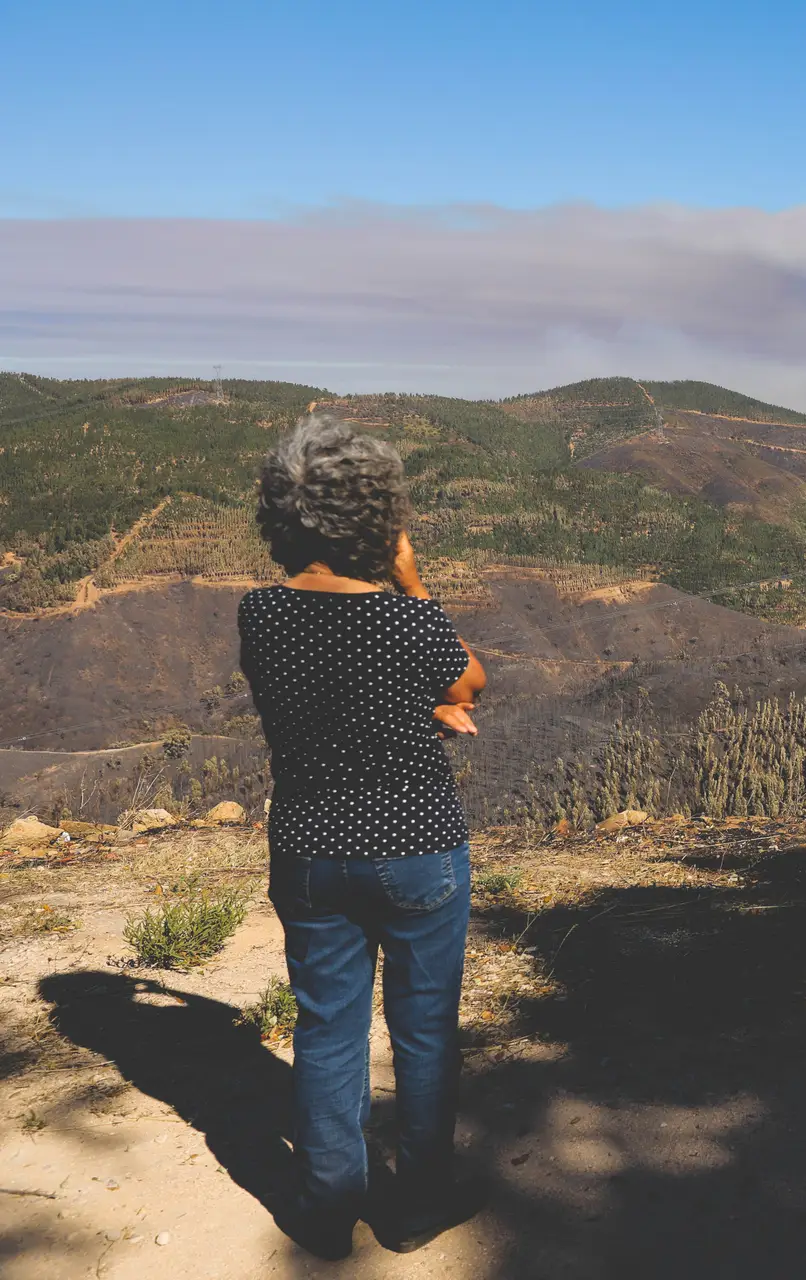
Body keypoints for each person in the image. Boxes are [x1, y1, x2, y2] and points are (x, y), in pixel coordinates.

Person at [239, 413, 488, 1259]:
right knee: (424, 1032)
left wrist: (412, 708)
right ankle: (415, 1204)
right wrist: (415, 583)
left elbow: (325, 694)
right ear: (380, 519)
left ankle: (327, 1203)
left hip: (310, 851)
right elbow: (470, 679)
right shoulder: (404, 621)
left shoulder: (260, 616)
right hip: (417, 848)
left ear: (281, 513)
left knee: (326, 1028)